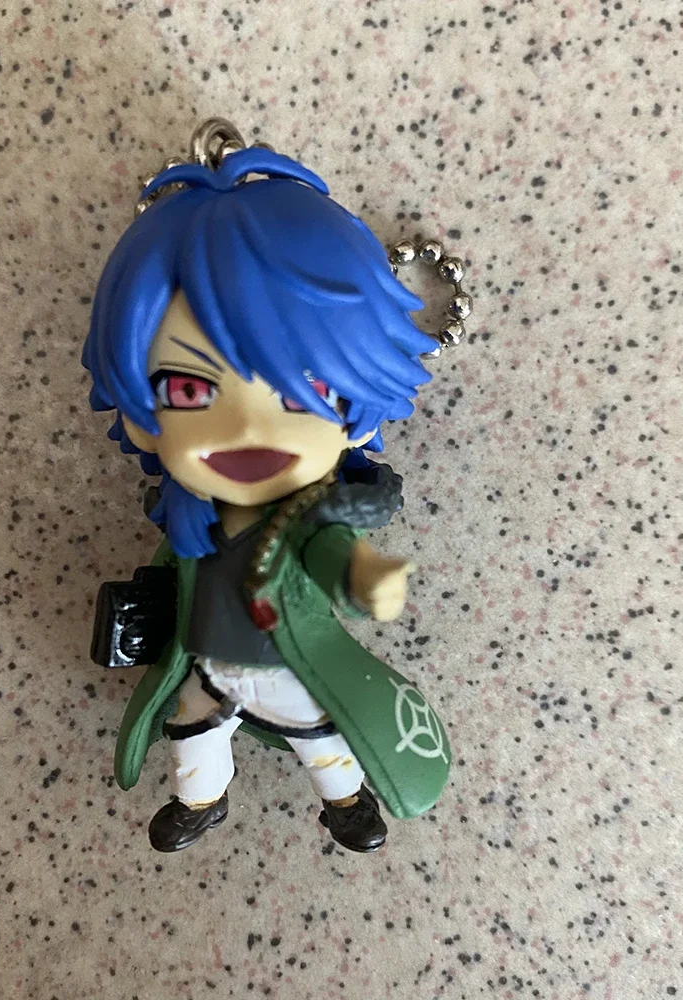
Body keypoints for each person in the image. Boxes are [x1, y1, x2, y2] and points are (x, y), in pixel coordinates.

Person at [82, 145, 450, 852]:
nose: (246, 429)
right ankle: (201, 803)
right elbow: (172, 572)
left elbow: (334, 555)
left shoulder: (305, 517)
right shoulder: (193, 516)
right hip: (207, 663)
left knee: (323, 742)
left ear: (356, 412)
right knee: (192, 738)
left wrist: (365, 576)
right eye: (189, 389)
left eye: (303, 390)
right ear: (140, 418)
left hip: (288, 663)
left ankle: (346, 804)